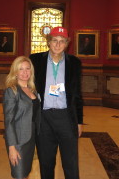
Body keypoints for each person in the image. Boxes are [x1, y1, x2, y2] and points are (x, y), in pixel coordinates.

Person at [29, 26, 84, 179]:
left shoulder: (74, 63)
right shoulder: (35, 60)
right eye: (55, 40)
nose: (58, 45)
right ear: (48, 42)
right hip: (43, 118)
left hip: (66, 117)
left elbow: (78, 95)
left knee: (70, 162)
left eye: (62, 41)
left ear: (67, 44)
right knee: (46, 162)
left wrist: (79, 121)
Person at [3, 56, 41, 179]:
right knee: (19, 175)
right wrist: (12, 147)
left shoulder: (33, 90)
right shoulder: (12, 91)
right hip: (18, 141)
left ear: (31, 71)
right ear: (15, 72)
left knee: (25, 173)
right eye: (21, 69)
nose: (25, 72)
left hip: (31, 139)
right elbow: (9, 121)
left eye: (27, 69)